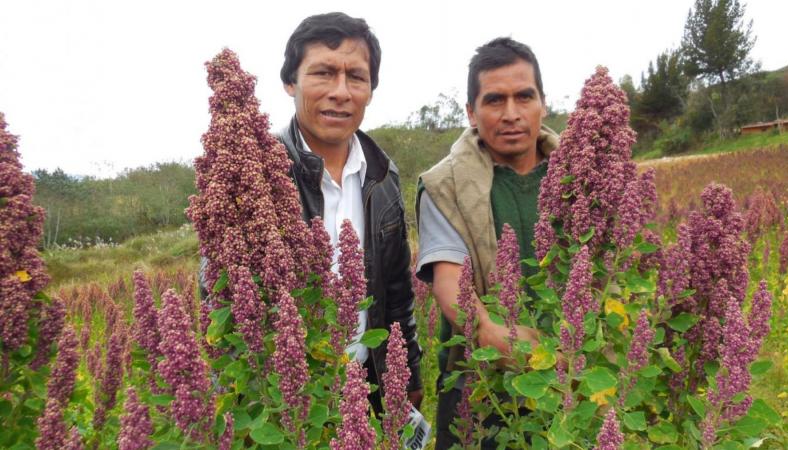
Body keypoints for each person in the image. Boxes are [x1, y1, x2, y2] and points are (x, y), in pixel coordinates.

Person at [201, 12, 423, 412]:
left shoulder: (383, 175)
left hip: (366, 386)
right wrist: (243, 402)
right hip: (282, 398)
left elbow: (396, 293)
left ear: (371, 90)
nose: (341, 92)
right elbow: (220, 302)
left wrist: (408, 375)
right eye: (323, 73)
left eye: (356, 77)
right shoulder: (254, 173)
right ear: (291, 82)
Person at [415, 37, 559, 449]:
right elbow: (454, 291)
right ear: (471, 113)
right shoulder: (445, 185)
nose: (511, 114)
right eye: (494, 100)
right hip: (482, 393)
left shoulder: (580, 176)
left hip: (578, 393)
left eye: (524, 97)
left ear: (543, 103)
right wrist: (550, 359)